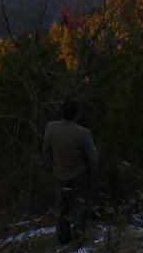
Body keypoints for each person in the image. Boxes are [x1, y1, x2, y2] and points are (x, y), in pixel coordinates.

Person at [42, 98, 98, 245]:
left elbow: (46, 151)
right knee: (81, 207)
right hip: (80, 175)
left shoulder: (51, 128)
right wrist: (91, 172)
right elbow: (93, 158)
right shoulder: (83, 133)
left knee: (62, 209)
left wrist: (52, 167)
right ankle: (79, 240)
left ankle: (63, 238)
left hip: (59, 174)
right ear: (76, 114)